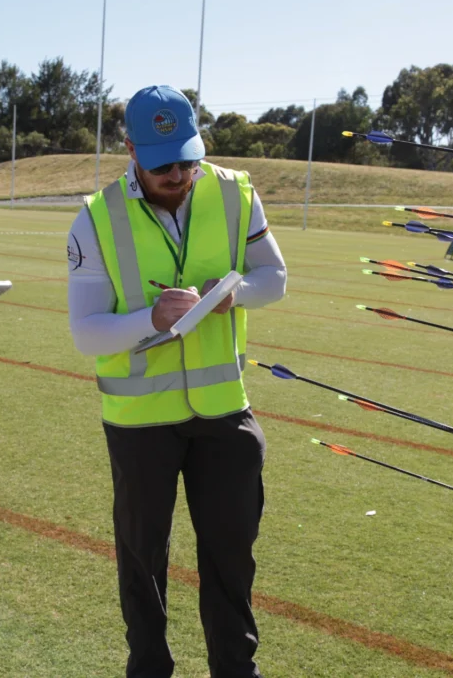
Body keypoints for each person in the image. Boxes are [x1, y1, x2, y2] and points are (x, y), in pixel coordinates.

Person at [67, 84, 287, 678]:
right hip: (140, 425)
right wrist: (151, 319)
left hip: (224, 415)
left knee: (231, 562)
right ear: (131, 151)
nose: (177, 174)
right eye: (162, 163)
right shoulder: (96, 217)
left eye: (187, 160)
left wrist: (234, 293)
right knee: (141, 565)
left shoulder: (236, 193)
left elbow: (275, 277)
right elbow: (87, 333)